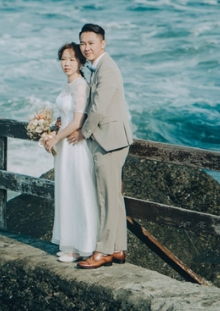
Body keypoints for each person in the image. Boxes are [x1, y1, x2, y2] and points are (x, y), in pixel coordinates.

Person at [70, 23, 134, 269]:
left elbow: (98, 108)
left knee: (105, 199)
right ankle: (118, 248)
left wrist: (83, 132)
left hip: (109, 140)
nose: (86, 48)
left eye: (91, 43)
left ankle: (104, 251)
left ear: (103, 43)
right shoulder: (98, 67)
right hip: (111, 138)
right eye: (83, 43)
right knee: (113, 198)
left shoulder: (107, 69)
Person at [40, 42, 99, 262]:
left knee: (79, 191)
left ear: (81, 62)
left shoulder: (81, 85)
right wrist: (56, 126)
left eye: (72, 59)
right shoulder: (69, 84)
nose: (66, 63)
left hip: (75, 146)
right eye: (63, 59)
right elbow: (67, 115)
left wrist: (55, 138)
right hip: (65, 145)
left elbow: (78, 120)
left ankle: (83, 245)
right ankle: (71, 243)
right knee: (67, 191)